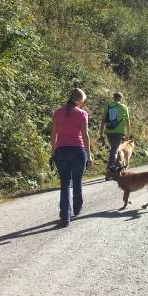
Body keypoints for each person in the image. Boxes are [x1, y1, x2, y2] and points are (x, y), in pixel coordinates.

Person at [50, 88, 94, 227]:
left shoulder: (57, 112)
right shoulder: (82, 114)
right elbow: (85, 136)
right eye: (83, 101)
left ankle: (65, 216)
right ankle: (77, 208)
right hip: (78, 151)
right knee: (77, 181)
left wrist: (53, 151)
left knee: (64, 184)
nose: (84, 104)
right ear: (80, 101)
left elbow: (53, 135)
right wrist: (89, 155)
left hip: (61, 151)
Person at [99, 92, 131, 177]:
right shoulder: (124, 107)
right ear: (121, 98)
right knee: (114, 150)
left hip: (109, 131)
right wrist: (128, 134)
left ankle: (119, 168)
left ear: (113, 98)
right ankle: (109, 170)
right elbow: (128, 122)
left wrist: (101, 133)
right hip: (119, 132)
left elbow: (103, 120)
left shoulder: (108, 106)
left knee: (114, 149)